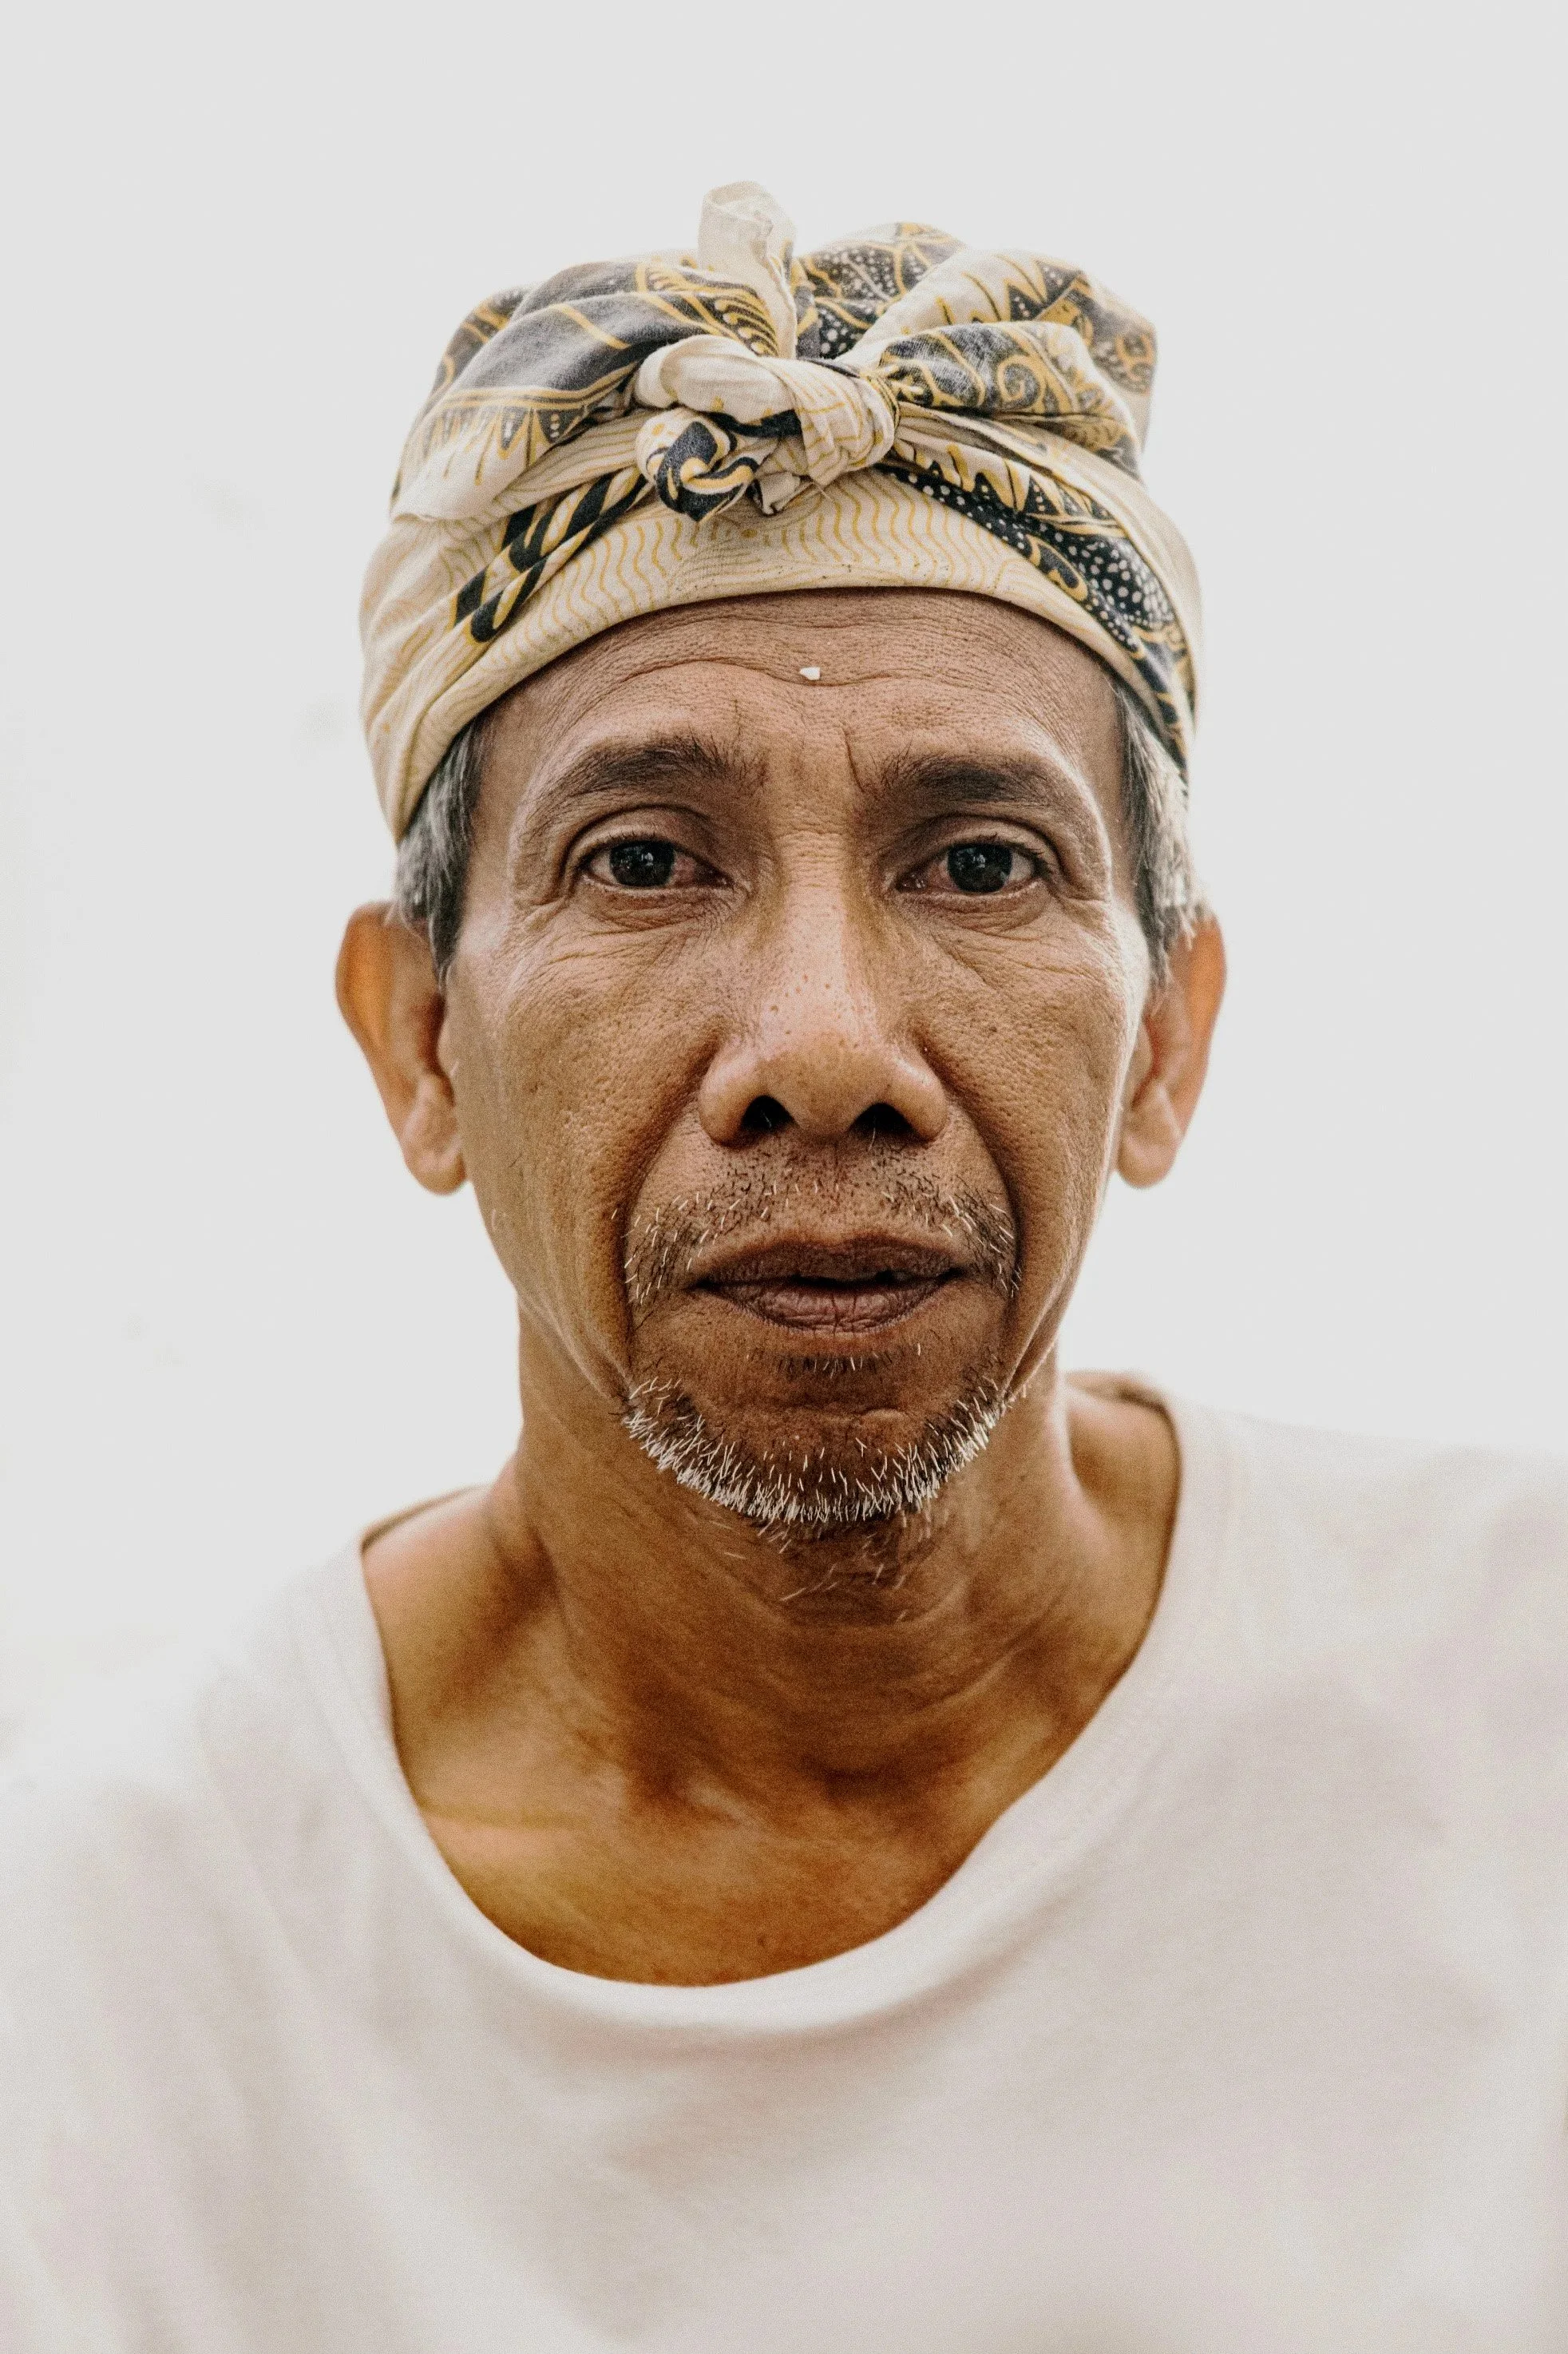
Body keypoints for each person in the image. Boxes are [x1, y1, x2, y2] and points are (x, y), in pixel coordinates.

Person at [3, 183, 1566, 2353]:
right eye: (643, 859)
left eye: (978, 858)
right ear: (420, 1041)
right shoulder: (115, 1969)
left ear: (1169, 1037)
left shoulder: (1519, 1706)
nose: (822, 1047)